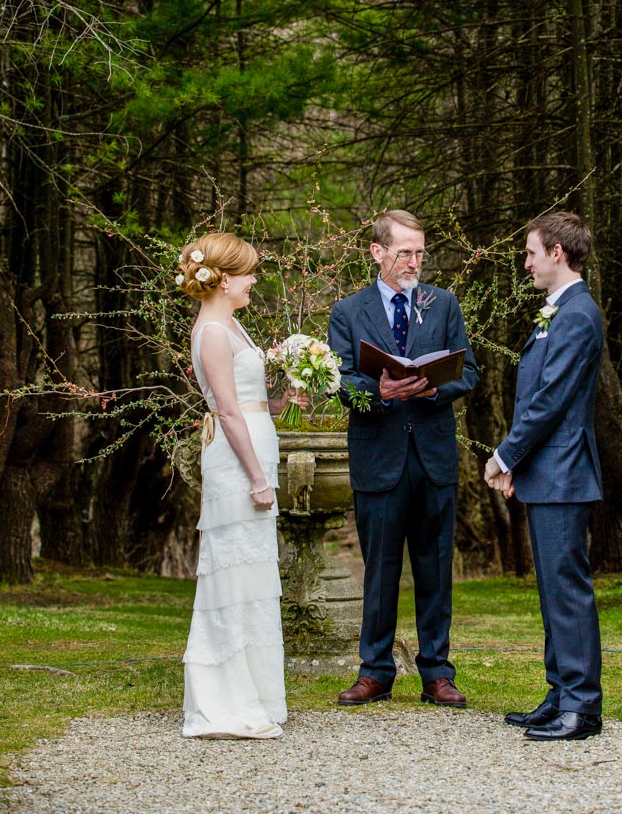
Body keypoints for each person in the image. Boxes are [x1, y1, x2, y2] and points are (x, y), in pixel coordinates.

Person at [328, 209, 479, 708]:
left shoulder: (444, 305)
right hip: (379, 457)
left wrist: (431, 388)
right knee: (380, 570)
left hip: (433, 455)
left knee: (435, 569)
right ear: (377, 252)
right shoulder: (347, 312)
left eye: (419, 252)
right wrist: (381, 392)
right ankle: (375, 671)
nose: (415, 261)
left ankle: (437, 672)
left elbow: (469, 372)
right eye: (404, 252)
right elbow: (341, 381)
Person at [485, 211, 604, 742]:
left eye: (532, 252)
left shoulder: (577, 314)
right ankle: (560, 696)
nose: (526, 262)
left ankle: (582, 708)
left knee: (567, 589)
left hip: (565, 471)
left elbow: (551, 398)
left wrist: (506, 456)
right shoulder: (559, 311)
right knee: (554, 590)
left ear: (558, 253)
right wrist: (521, 464)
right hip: (549, 470)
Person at [177, 231, 300, 739]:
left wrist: (287, 394)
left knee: (252, 574)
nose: (253, 281)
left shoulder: (230, 325)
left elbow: (249, 404)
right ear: (224, 279)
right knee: (233, 575)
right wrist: (256, 479)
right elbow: (226, 412)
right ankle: (225, 698)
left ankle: (256, 691)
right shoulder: (211, 332)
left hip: (251, 445)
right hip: (236, 461)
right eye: (248, 273)